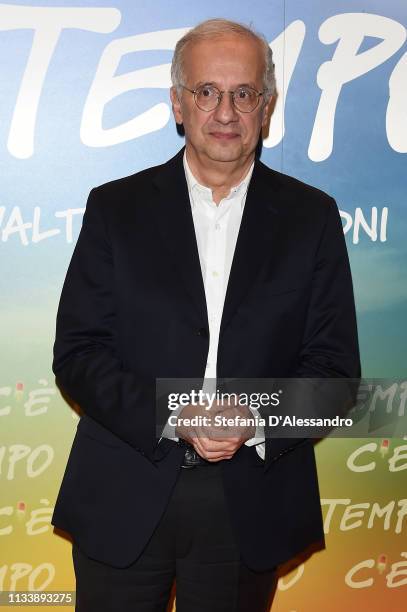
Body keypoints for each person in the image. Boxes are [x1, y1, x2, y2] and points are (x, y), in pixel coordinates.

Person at [51, 18, 361, 612]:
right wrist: (175, 414)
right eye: (207, 92)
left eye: (243, 93)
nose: (226, 111)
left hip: (250, 505)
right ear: (178, 102)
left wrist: (254, 415)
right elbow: (80, 354)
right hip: (126, 488)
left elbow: (334, 374)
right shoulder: (115, 208)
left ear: (265, 107)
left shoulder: (311, 218)